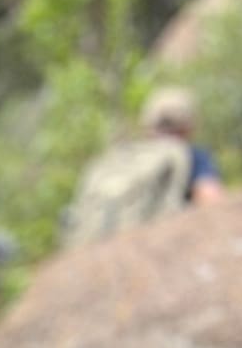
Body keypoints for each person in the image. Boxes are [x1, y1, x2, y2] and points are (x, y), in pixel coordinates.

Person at [61, 88, 224, 250]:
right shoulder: (191, 155)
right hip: (157, 250)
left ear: (147, 124)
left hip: (95, 251)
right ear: (188, 127)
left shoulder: (119, 157)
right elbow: (211, 201)